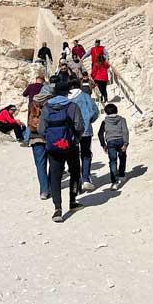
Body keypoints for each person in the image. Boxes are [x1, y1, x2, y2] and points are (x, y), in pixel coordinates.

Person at [38, 83, 85, 222]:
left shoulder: (46, 107)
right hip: (70, 146)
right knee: (75, 172)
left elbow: (41, 129)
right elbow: (79, 126)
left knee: (55, 175)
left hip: (53, 147)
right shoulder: (72, 106)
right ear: (67, 93)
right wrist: (75, 139)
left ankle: (57, 209)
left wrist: (49, 139)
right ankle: (73, 201)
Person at [69, 80, 100, 191]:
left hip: (71, 132)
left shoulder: (65, 98)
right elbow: (95, 111)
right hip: (85, 130)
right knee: (86, 154)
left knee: (74, 156)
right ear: (80, 85)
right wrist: (89, 121)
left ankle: (76, 181)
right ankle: (85, 178)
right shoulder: (85, 96)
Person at [27, 83, 53, 200]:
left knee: (40, 165)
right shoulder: (50, 108)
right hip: (49, 138)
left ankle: (44, 190)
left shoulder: (32, 107)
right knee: (53, 163)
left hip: (35, 139)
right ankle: (51, 186)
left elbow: (29, 123)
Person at [98, 103, 130, 189]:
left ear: (106, 112)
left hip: (110, 142)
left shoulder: (104, 122)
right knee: (122, 157)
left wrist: (103, 145)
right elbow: (125, 131)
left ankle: (114, 182)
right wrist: (126, 143)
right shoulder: (122, 120)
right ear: (116, 110)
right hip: (120, 141)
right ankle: (122, 174)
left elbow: (100, 134)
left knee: (113, 161)